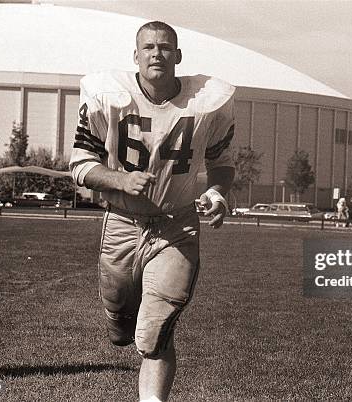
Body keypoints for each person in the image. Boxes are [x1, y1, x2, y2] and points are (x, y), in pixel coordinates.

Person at [69, 21, 235, 402]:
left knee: (154, 330)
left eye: (164, 47)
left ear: (178, 57)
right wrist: (118, 179)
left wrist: (217, 193)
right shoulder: (108, 96)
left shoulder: (208, 101)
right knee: (121, 328)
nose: (156, 53)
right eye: (148, 47)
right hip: (122, 224)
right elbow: (79, 165)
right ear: (136, 56)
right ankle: (119, 321)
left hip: (177, 226)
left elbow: (222, 162)